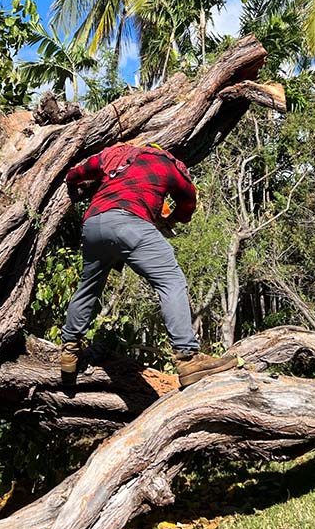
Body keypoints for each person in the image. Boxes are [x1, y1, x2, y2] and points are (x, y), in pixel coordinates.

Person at [60, 141, 238, 388]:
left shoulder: (114, 155)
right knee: (171, 281)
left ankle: (69, 350)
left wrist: (76, 185)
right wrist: (172, 219)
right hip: (131, 222)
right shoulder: (166, 163)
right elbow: (189, 201)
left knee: (88, 288)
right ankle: (187, 358)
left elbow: (75, 174)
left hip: (94, 224)